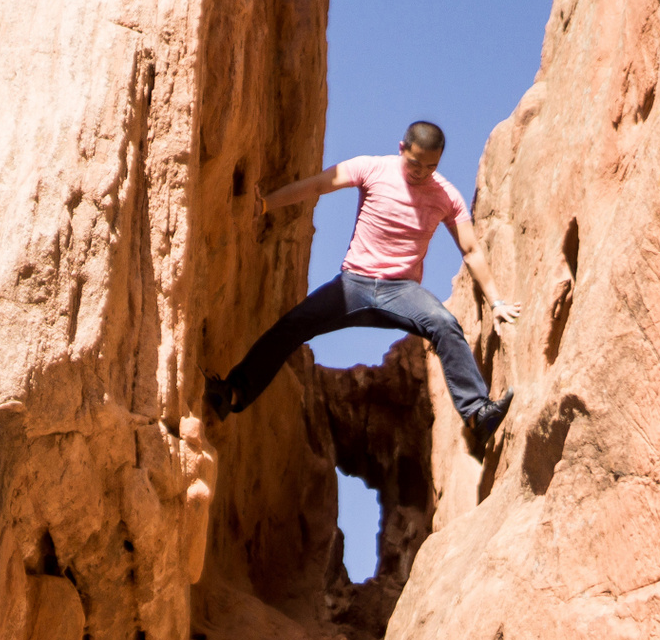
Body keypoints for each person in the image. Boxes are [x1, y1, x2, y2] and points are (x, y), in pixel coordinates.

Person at [204, 121, 519, 445]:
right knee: (292, 325)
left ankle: (477, 415)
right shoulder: (371, 168)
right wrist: (266, 204)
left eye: (431, 166)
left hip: (402, 291)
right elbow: (317, 185)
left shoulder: (446, 195)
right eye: (414, 163)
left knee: (443, 323)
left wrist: (496, 302)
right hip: (353, 284)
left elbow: (470, 249)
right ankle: (232, 393)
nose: (421, 172)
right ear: (401, 149)